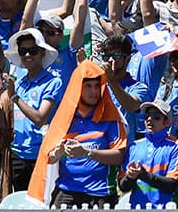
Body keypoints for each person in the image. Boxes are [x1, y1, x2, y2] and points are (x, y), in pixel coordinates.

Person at [46, 59, 128, 207]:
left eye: (97, 86)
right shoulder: (64, 117)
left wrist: (86, 153)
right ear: (78, 88)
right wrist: (56, 153)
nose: (94, 91)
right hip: (66, 192)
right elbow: (49, 157)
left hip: (100, 194)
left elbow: (119, 156)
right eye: (88, 86)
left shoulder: (111, 117)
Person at [0, 27, 61, 192]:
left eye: (32, 50)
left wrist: (15, 96)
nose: (27, 55)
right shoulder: (19, 83)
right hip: (18, 155)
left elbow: (40, 119)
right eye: (23, 51)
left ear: (42, 53)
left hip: (42, 154)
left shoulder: (53, 82)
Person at [119, 99, 178, 207]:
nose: (149, 119)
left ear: (166, 122)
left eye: (156, 117)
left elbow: (173, 185)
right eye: (147, 116)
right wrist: (130, 177)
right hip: (136, 207)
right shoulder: (134, 146)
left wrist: (143, 175)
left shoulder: (176, 147)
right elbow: (123, 186)